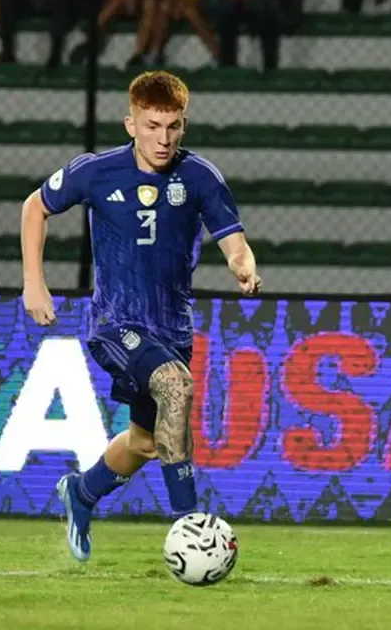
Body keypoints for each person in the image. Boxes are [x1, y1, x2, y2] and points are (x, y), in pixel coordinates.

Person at [19, 70, 261, 562]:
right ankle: (192, 529)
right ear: (130, 124)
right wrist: (34, 282)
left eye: (172, 126)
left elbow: (234, 241)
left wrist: (243, 265)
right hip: (115, 323)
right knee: (175, 385)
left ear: (184, 125)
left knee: (147, 441)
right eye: (152, 126)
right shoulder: (97, 171)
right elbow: (34, 207)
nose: (163, 138)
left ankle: (82, 493)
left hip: (172, 326)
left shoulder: (199, 177)